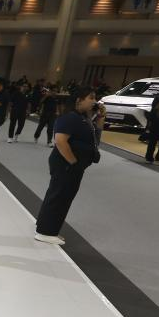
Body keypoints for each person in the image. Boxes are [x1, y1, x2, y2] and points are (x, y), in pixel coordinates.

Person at [34, 87, 103, 244]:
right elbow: (60, 140)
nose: (94, 101)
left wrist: (99, 117)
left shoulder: (82, 118)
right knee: (59, 195)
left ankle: (46, 227)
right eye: (90, 97)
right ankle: (45, 231)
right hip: (66, 164)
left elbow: (95, 136)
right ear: (79, 100)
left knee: (62, 195)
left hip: (72, 165)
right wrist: (73, 163)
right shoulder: (70, 118)